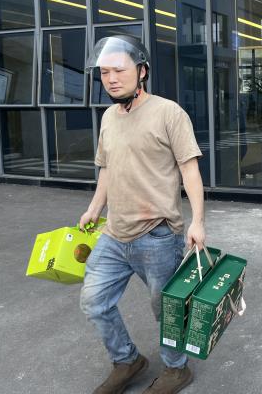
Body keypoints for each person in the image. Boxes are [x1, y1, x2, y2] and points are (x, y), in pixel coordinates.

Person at [78, 35, 206, 394]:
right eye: (105, 72)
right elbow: (107, 168)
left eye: (119, 70)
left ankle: (176, 370)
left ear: (142, 71)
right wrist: (94, 209)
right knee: (94, 301)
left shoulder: (169, 113)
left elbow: (190, 170)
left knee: (166, 309)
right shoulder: (108, 117)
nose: (111, 79)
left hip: (158, 235)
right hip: (114, 234)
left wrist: (198, 221)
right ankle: (127, 360)